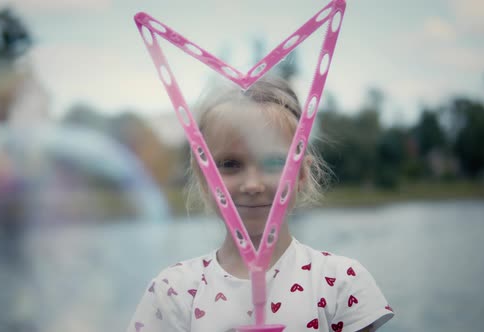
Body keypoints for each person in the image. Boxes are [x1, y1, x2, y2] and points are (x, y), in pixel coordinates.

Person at [127, 76, 394, 332]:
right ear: (204, 176)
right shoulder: (173, 291)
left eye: (273, 163)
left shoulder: (341, 282)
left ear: (301, 173)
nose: (252, 184)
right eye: (230, 164)